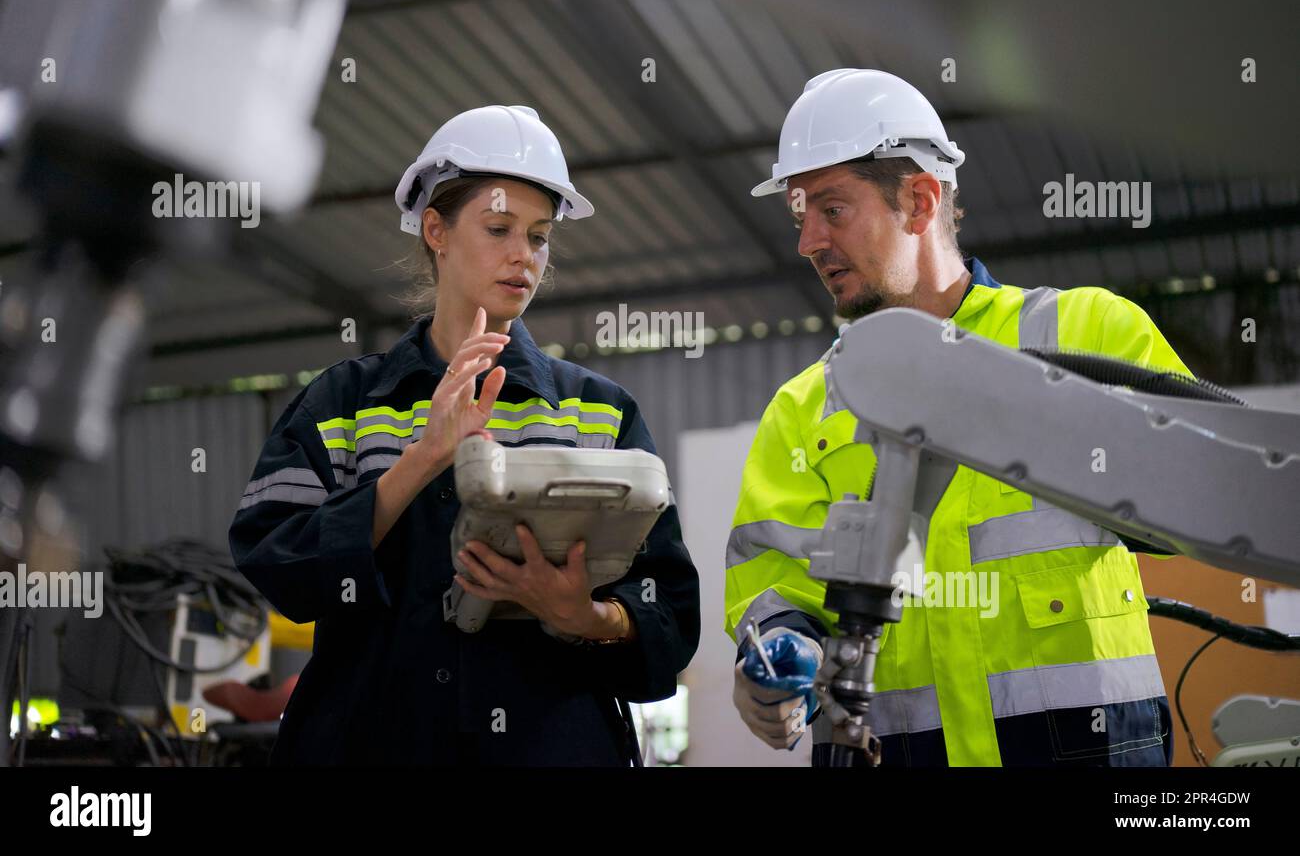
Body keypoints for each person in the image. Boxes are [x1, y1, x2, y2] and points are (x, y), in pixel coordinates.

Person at [726, 69, 1189, 767]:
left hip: (1084, 748)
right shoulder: (802, 408)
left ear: (918, 199)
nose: (807, 242)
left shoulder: (1085, 332)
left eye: (831, 210)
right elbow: (772, 580)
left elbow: (1199, 502)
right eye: (800, 218)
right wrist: (776, 653)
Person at [229, 105, 700, 765]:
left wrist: (585, 619)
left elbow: (670, 616)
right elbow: (275, 563)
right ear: (436, 230)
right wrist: (420, 460)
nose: (524, 256)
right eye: (500, 227)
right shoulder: (342, 404)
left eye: (539, 237)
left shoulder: (600, 412)